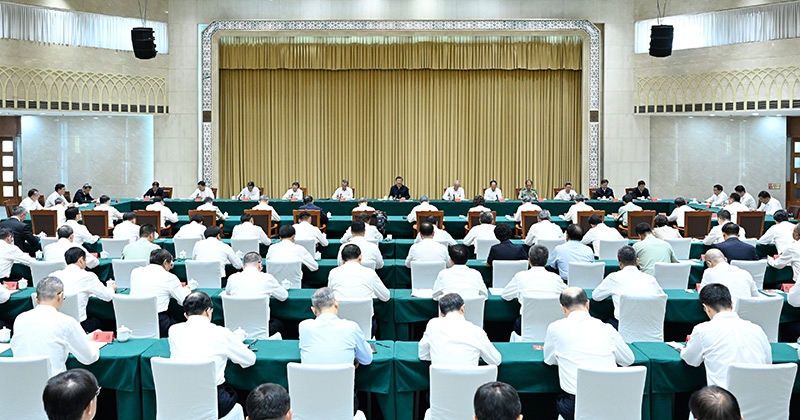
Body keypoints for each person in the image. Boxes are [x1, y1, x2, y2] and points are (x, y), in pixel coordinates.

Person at [544, 287, 634, 420]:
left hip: (576, 406)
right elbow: (628, 360)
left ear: (563, 308)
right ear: (588, 304)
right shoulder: (607, 329)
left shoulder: (555, 328)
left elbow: (548, 359)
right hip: (612, 405)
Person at [169, 291, 256, 418]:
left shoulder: (173, 331)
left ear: (186, 315)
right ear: (208, 311)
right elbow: (249, 360)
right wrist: (237, 343)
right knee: (238, 393)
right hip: (212, 401)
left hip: (179, 400)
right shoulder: (222, 333)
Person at [680, 283, 771, 387]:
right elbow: (768, 363)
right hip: (758, 393)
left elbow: (691, 360)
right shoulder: (757, 329)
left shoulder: (702, 330)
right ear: (732, 304)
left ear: (706, 308)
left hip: (722, 396)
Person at [298, 287, 372, 412]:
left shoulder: (304, 326)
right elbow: (367, 359)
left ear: (313, 310)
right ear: (336, 304)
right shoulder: (351, 327)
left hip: (311, 403)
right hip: (344, 403)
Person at [11, 277, 99, 375]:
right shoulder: (66, 322)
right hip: (53, 383)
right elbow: (89, 357)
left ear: (36, 299)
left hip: (20, 380)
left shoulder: (20, 319)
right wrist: (92, 342)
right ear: (60, 296)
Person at [419, 292, 501, 366]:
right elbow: (496, 360)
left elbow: (423, 355)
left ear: (441, 314)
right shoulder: (477, 331)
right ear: (463, 308)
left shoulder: (433, 325)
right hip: (470, 378)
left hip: (439, 378)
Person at [502, 245, 567, 335]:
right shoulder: (556, 278)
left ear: (529, 261)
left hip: (525, 326)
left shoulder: (520, 276)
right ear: (546, 262)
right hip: (553, 327)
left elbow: (506, 296)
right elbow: (568, 294)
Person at [592, 246, 665, 326]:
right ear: (637, 261)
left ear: (619, 262)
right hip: (651, 327)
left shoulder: (613, 278)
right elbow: (662, 298)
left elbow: (596, 296)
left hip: (622, 328)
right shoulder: (651, 279)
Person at [51, 247, 116, 332]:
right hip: (80, 326)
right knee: (108, 324)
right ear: (81, 260)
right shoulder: (88, 276)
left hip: (57, 324)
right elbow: (107, 297)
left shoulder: (53, 275)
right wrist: (112, 289)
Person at [130, 249, 190, 337]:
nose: (170, 268)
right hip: (159, 322)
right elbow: (184, 300)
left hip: (134, 319)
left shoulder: (135, 272)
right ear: (165, 263)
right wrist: (187, 289)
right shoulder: (169, 277)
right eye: (170, 265)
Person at [328, 244, 390, 316]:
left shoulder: (333, 273)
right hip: (365, 321)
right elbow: (386, 296)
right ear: (360, 258)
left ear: (342, 261)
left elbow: (330, 297)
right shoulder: (370, 273)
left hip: (338, 320)